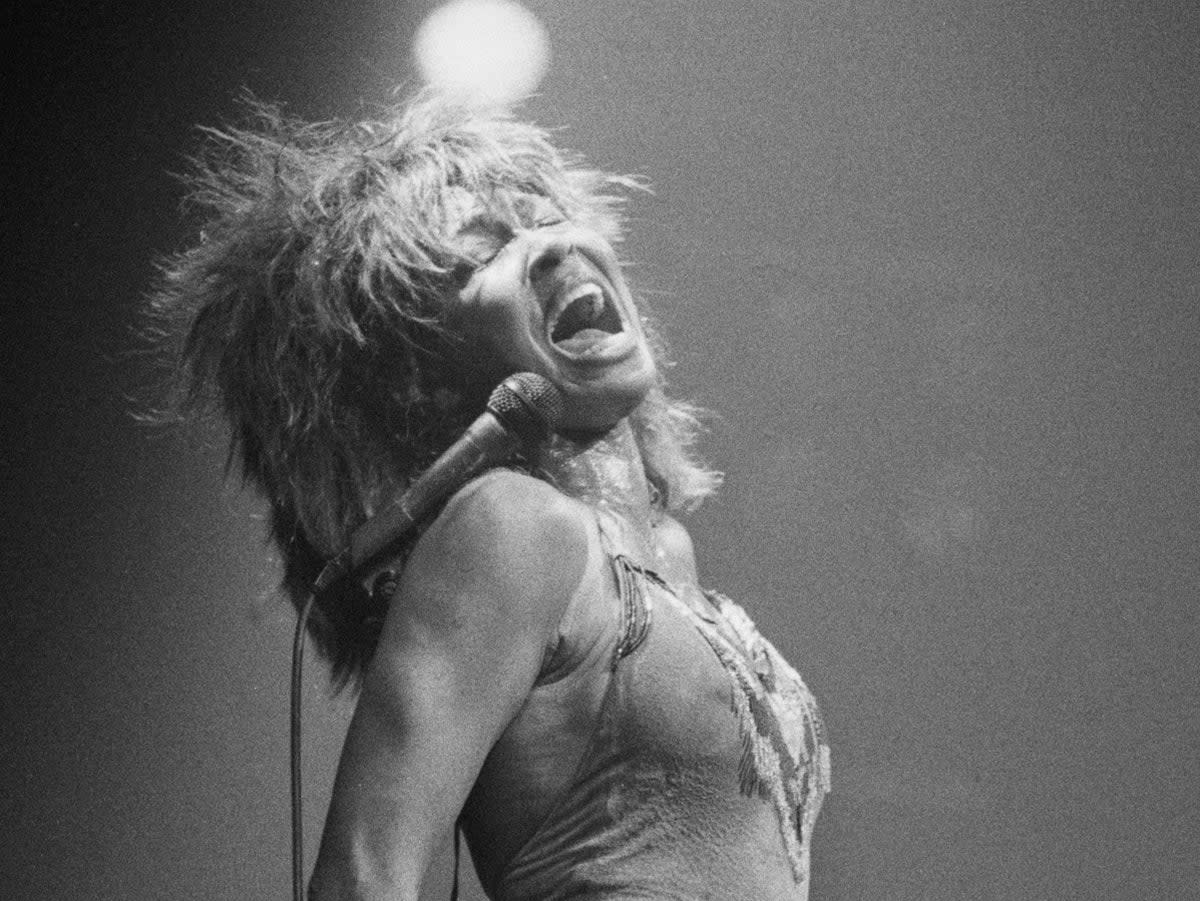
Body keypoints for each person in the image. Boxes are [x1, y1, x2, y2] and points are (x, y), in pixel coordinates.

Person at [148, 92, 830, 900]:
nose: (548, 249)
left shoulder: (667, 552)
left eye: (546, 215)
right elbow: (364, 878)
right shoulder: (512, 529)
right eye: (486, 255)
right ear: (415, 379)